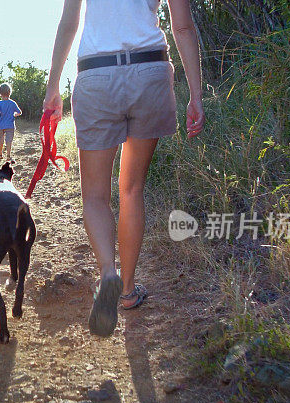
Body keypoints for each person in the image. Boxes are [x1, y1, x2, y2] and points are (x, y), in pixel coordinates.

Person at [43, 0, 205, 336]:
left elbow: (69, 23)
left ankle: (108, 274)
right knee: (131, 189)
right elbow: (183, 27)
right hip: (150, 70)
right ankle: (128, 291)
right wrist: (195, 95)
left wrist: (53, 86)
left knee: (96, 196)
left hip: (97, 74)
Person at [0, 83, 22, 161]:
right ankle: (8, 155)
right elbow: (19, 112)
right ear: (10, 92)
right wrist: (15, 114)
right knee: (9, 140)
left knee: (1, 139)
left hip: (0, 125)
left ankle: (0, 154)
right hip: (10, 125)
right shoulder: (12, 103)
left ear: (0, 93)